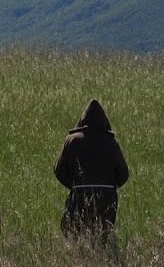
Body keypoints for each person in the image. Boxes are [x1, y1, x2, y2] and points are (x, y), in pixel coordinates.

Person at [53, 99, 130, 246]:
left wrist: (74, 185)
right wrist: (109, 186)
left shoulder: (72, 141)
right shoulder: (110, 142)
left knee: (73, 236)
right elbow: (123, 174)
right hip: (106, 199)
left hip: (79, 196)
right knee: (102, 240)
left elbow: (58, 169)